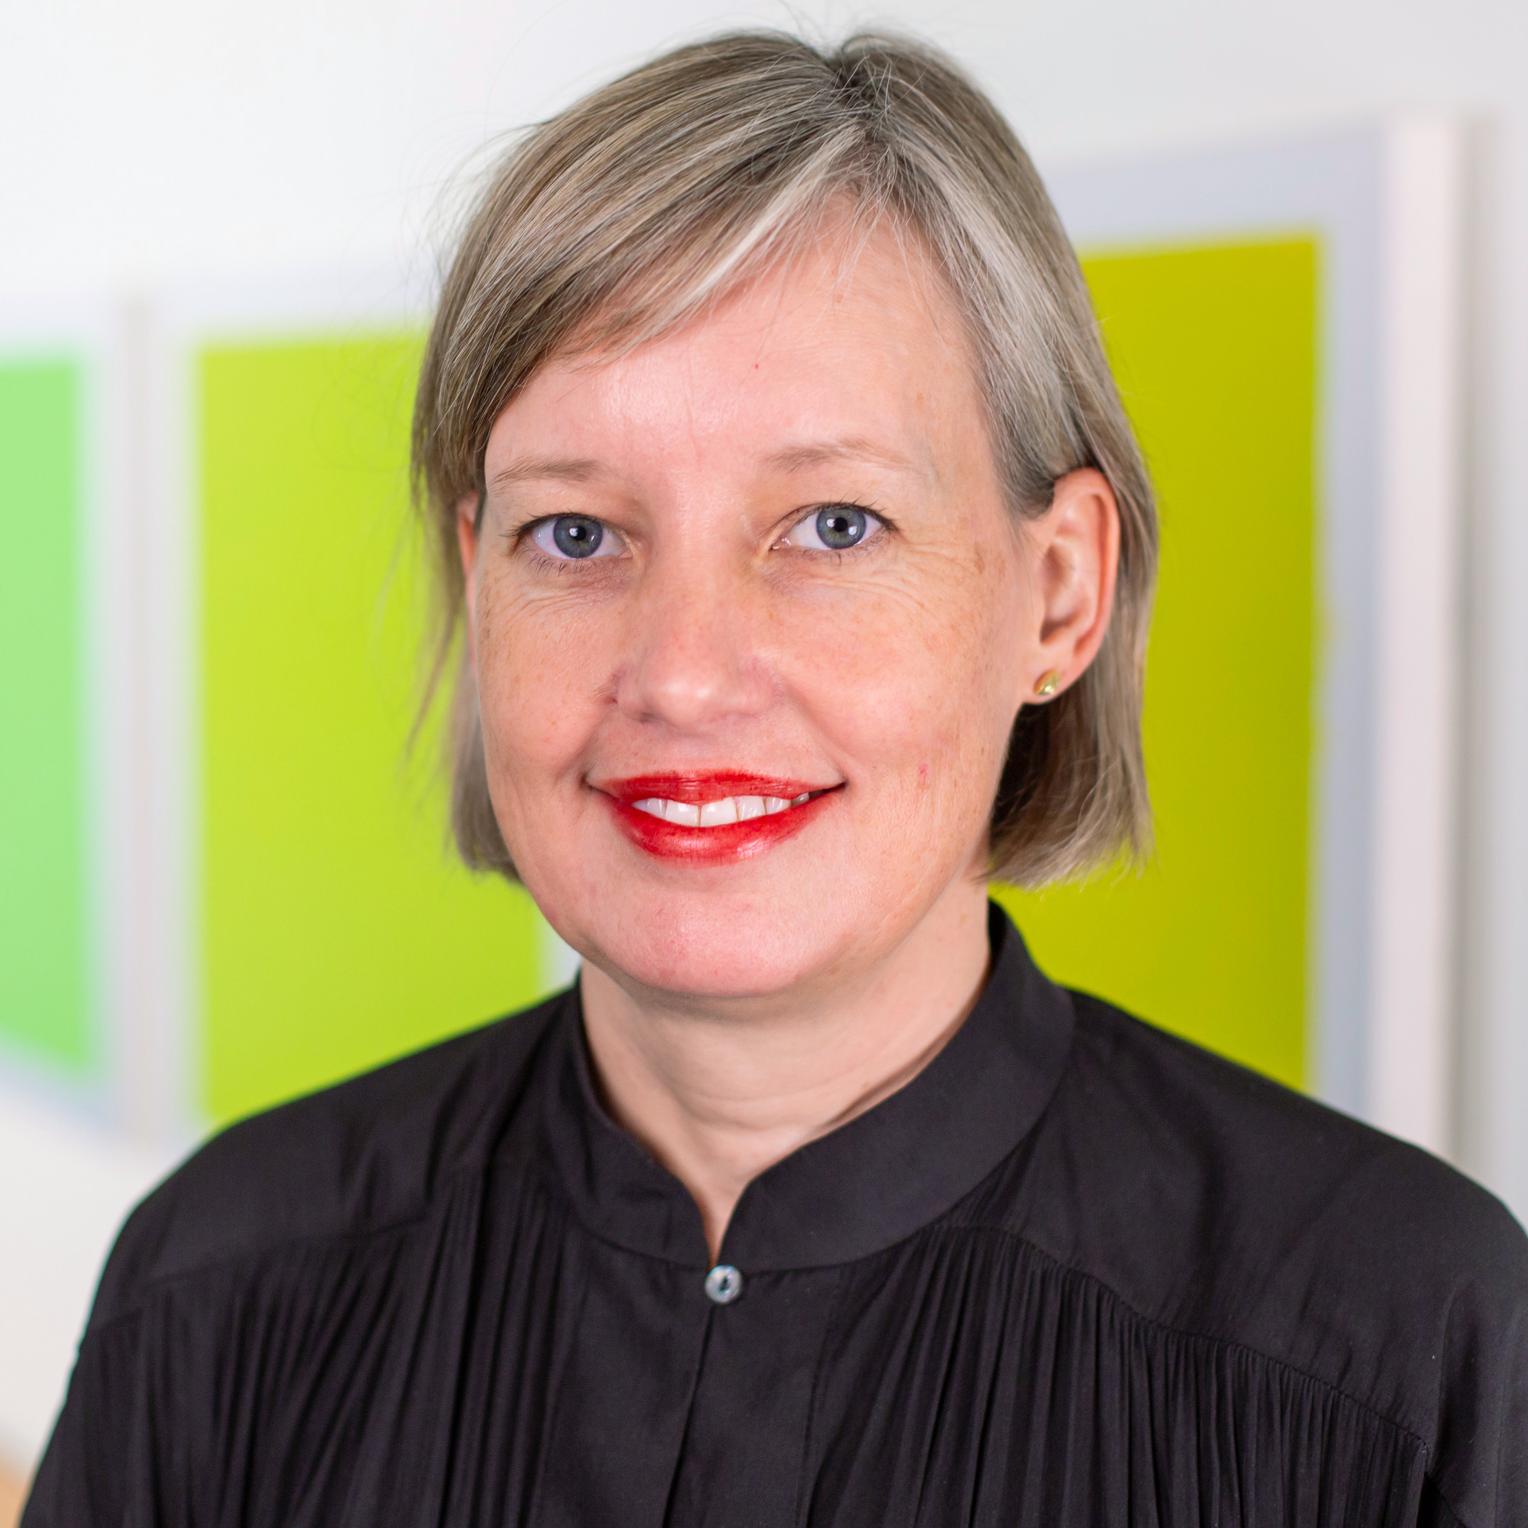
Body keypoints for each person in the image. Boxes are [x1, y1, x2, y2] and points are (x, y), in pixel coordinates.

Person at [22, 26, 1527, 1528]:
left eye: (833, 525)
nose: (681, 671)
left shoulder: (1404, 1362)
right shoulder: (215, 1288)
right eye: (577, 533)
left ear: (1057, 595)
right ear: (477, 581)